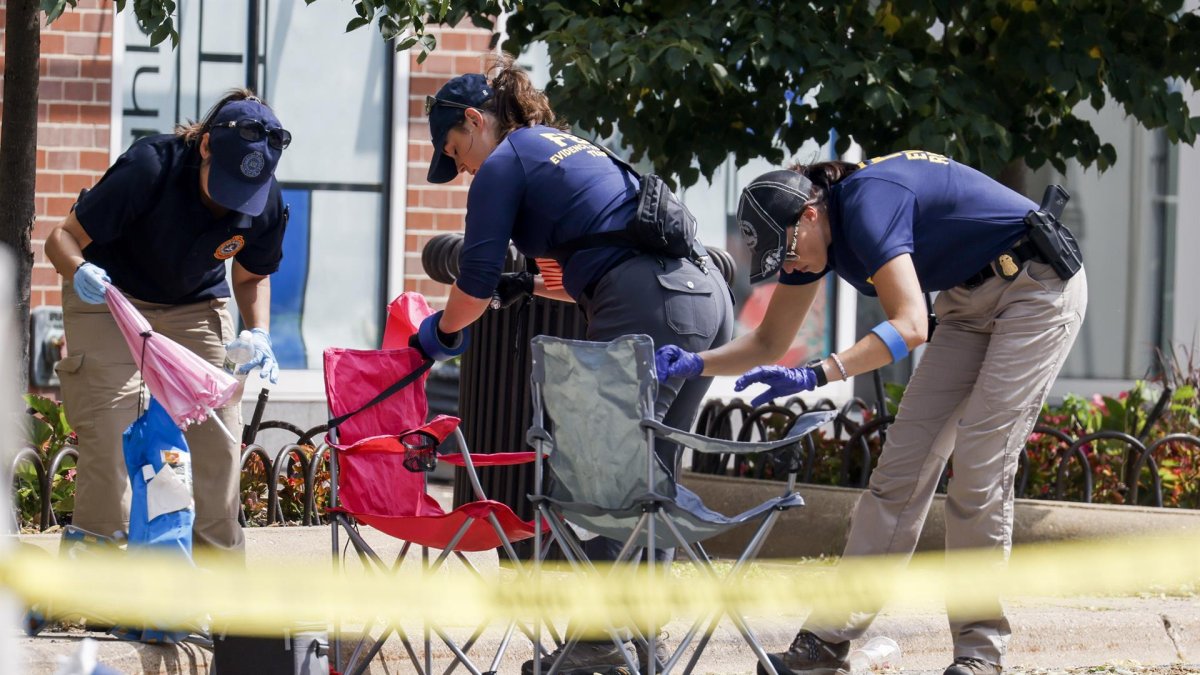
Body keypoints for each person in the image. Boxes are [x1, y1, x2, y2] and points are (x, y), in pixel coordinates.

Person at [657, 151, 1087, 675]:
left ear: (809, 214)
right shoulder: (811, 242)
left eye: (786, 253)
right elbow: (769, 341)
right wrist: (696, 363)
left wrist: (819, 374)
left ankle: (979, 654)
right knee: (899, 472)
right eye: (776, 263)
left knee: (980, 463)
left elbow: (911, 326)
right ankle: (827, 642)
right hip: (965, 303)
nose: (787, 267)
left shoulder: (866, 205)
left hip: (1035, 288)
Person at [417, 56, 734, 673]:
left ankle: (596, 644)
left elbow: (474, 282)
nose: (463, 169)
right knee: (648, 483)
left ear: (476, 120)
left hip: (652, 305)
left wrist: (438, 335)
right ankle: (636, 642)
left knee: (604, 474)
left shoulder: (503, 164)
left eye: (456, 152)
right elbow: (585, 270)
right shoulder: (565, 147)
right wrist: (527, 287)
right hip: (705, 301)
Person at [44, 89, 290, 555]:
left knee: (219, 434)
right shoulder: (149, 168)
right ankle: (98, 569)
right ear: (205, 146)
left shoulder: (265, 203)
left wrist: (258, 331)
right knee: (112, 432)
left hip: (195, 304)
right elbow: (61, 238)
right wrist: (78, 270)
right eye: (224, 185)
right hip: (110, 297)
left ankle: (216, 571)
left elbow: (251, 276)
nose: (231, 204)